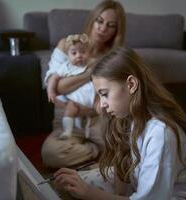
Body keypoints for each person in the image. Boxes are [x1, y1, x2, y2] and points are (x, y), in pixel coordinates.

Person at [53, 47, 186, 199]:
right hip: (139, 180)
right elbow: (124, 164)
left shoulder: (160, 134)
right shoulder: (129, 115)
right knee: (75, 183)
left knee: (87, 190)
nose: (102, 105)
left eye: (105, 94)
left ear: (131, 85)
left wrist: (90, 193)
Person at [42, 0, 126, 168]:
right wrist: (89, 73)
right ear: (92, 19)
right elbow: (57, 87)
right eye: (100, 21)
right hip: (68, 121)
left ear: (116, 31)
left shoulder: (113, 56)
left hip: (99, 120)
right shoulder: (67, 45)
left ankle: (93, 153)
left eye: (110, 25)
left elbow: (112, 95)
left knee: (125, 148)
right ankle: (96, 152)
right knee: (51, 154)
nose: (102, 29)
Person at [46, 33, 95, 139]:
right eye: (74, 53)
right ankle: (68, 131)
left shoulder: (92, 63)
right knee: (69, 111)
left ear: (89, 53)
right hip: (75, 100)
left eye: (83, 52)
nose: (79, 55)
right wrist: (51, 91)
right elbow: (53, 78)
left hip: (93, 100)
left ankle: (94, 133)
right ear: (68, 55)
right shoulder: (66, 67)